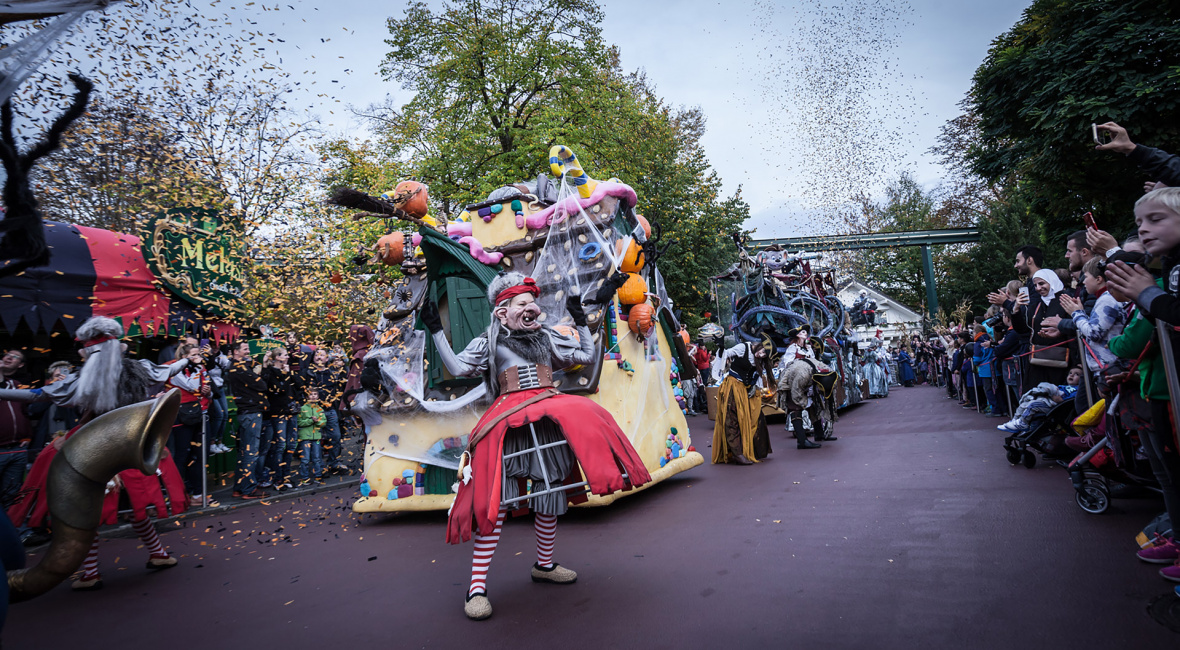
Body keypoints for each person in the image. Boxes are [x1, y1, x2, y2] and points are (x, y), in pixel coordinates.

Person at [420, 272, 652, 620]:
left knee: (549, 487)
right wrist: (436, 330)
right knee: (496, 498)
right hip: (508, 419)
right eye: (522, 304)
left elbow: (587, 356)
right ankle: (477, 586)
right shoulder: (490, 340)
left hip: (546, 414)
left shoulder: (546, 338)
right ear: (502, 312)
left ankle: (544, 565)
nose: (532, 309)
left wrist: (579, 319)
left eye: (533, 303)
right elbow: (457, 367)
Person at [2, 317, 190, 590]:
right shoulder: (114, 372)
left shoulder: (118, 372)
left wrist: (191, 361)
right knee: (111, 510)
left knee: (125, 509)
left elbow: (37, 394)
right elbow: (170, 369)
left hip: (120, 445)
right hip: (101, 445)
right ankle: (113, 564)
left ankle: (137, 559)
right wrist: (191, 361)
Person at [165, 344, 212, 506]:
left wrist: (208, 390)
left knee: (198, 455)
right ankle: (177, 495)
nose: (197, 357)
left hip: (200, 414)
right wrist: (197, 369)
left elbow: (205, 385)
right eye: (193, 354)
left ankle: (197, 493)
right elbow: (191, 386)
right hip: (181, 416)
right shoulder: (176, 368)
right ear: (184, 356)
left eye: (198, 354)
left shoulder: (199, 367)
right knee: (181, 455)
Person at [713, 338, 774, 464]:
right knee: (732, 419)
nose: (761, 355)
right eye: (762, 352)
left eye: (764, 355)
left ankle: (757, 450)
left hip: (748, 389)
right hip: (734, 387)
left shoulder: (761, 359)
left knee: (756, 416)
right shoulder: (743, 348)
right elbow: (726, 355)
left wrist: (754, 387)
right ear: (760, 346)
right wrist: (721, 347)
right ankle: (737, 453)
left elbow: (757, 374)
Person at [226, 341, 270, 499]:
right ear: (235, 352)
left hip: (246, 411)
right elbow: (262, 385)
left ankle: (239, 487)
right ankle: (249, 488)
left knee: (244, 452)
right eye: (245, 349)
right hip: (251, 412)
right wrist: (259, 373)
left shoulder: (237, 367)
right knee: (251, 452)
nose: (248, 352)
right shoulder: (240, 368)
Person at [775, 324, 830, 449]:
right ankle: (801, 440)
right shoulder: (792, 348)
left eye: (806, 332)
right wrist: (801, 365)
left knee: (815, 405)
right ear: (797, 335)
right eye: (802, 332)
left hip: (809, 381)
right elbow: (788, 364)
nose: (805, 334)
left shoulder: (808, 348)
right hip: (795, 382)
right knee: (796, 408)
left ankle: (819, 434)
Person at [261, 348, 300, 491]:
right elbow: (278, 389)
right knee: (280, 446)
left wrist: (289, 373)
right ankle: (278, 479)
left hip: (291, 412)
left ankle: (286, 476)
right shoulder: (271, 372)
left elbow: (299, 386)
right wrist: (284, 375)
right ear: (277, 358)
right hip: (278, 413)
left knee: (291, 446)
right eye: (284, 355)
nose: (287, 357)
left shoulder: (287, 371)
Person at [26, 361, 79, 466]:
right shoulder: (44, 394)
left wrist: (67, 390)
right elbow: (33, 410)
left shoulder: (76, 396)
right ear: (50, 379)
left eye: (64, 375)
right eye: (57, 376)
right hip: (46, 442)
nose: (61, 378)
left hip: (71, 443)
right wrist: (53, 390)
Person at [1028, 269, 1071, 386]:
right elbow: (1024, 329)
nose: (1038, 288)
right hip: (1040, 361)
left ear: (1051, 281)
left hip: (1063, 360)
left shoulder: (1065, 299)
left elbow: (1074, 326)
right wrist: (1015, 310)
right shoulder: (1037, 305)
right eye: (1035, 285)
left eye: (1041, 283)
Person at [0, 350, 31, 506]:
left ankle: (10, 529)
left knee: (11, 494)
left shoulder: (17, 386)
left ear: (21, 365)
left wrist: (27, 436)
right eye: (6, 354)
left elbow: (25, 413)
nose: (9, 357)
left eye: (15, 356)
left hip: (17, 449)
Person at [296, 387, 326, 486]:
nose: (313, 396)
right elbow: (299, 422)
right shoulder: (303, 408)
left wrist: (318, 422)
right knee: (305, 459)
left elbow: (324, 422)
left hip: (316, 436)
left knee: (317, 457)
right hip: (305, 437)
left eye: (315, 394)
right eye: (311, 394)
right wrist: (310, 420)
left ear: (318, 396)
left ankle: (318, 476)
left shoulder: (320, 409)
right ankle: (304, 478)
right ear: (306, 396)